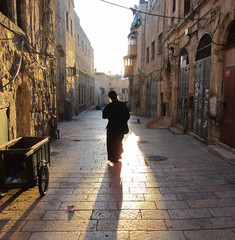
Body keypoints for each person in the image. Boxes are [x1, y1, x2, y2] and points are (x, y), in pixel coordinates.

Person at [102, 91, 130, 163]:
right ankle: (118, 155)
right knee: (118, 141)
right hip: (120, 127)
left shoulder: (108, 106)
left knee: (111, 142)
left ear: (110, 97)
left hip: (111, 127)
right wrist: (123, 121)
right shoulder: (123, 105)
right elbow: (127, 116)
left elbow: (104, 117)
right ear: (116, 95)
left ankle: (112, 157)